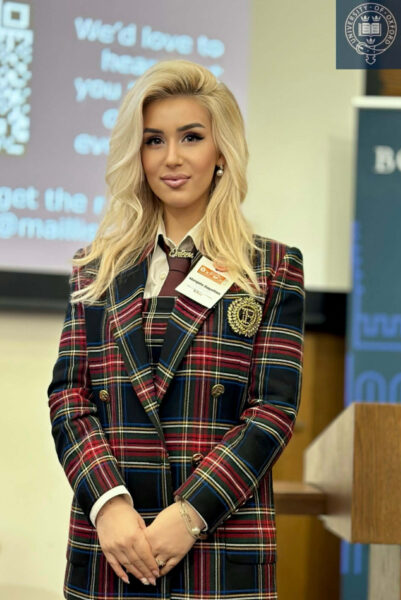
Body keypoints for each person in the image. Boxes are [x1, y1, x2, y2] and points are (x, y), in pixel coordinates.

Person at [48, 59, 305, 600]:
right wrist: (109, 504)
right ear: (136, 154)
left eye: (191, 137)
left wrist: (189, 515)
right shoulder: (96, 269)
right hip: (114, 549)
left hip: (219, 541)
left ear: (221, 151)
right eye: (153, 140)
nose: (171, 157)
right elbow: (69, 398)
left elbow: (272, 412)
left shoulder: (271, 268)